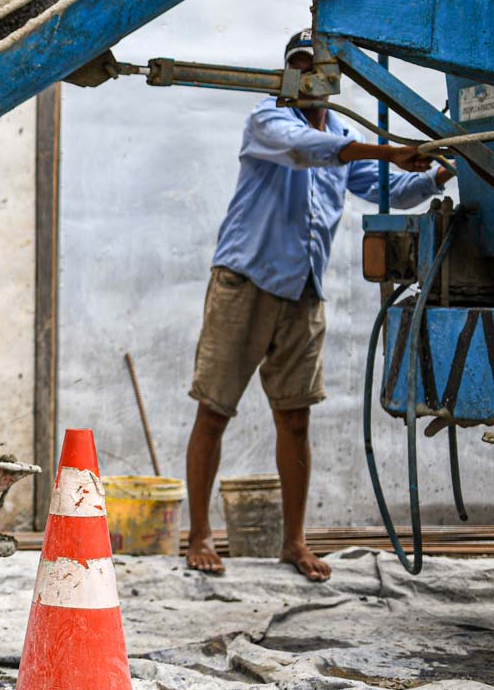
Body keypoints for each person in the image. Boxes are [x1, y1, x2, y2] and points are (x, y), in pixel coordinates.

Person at [184, 29, 452, 582]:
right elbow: (311, 151)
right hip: (246, 284)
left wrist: (436, 173)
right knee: (214, 411)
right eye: (299, 64)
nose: (308, 75)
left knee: (296, 419)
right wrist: (388, 148)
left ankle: (294, 542)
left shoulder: (345, 134)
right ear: (287, 72)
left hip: (304, 292)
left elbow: (390, 188)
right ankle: (201, 534)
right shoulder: (268, 119)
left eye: (317, 65)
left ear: (333, 76)